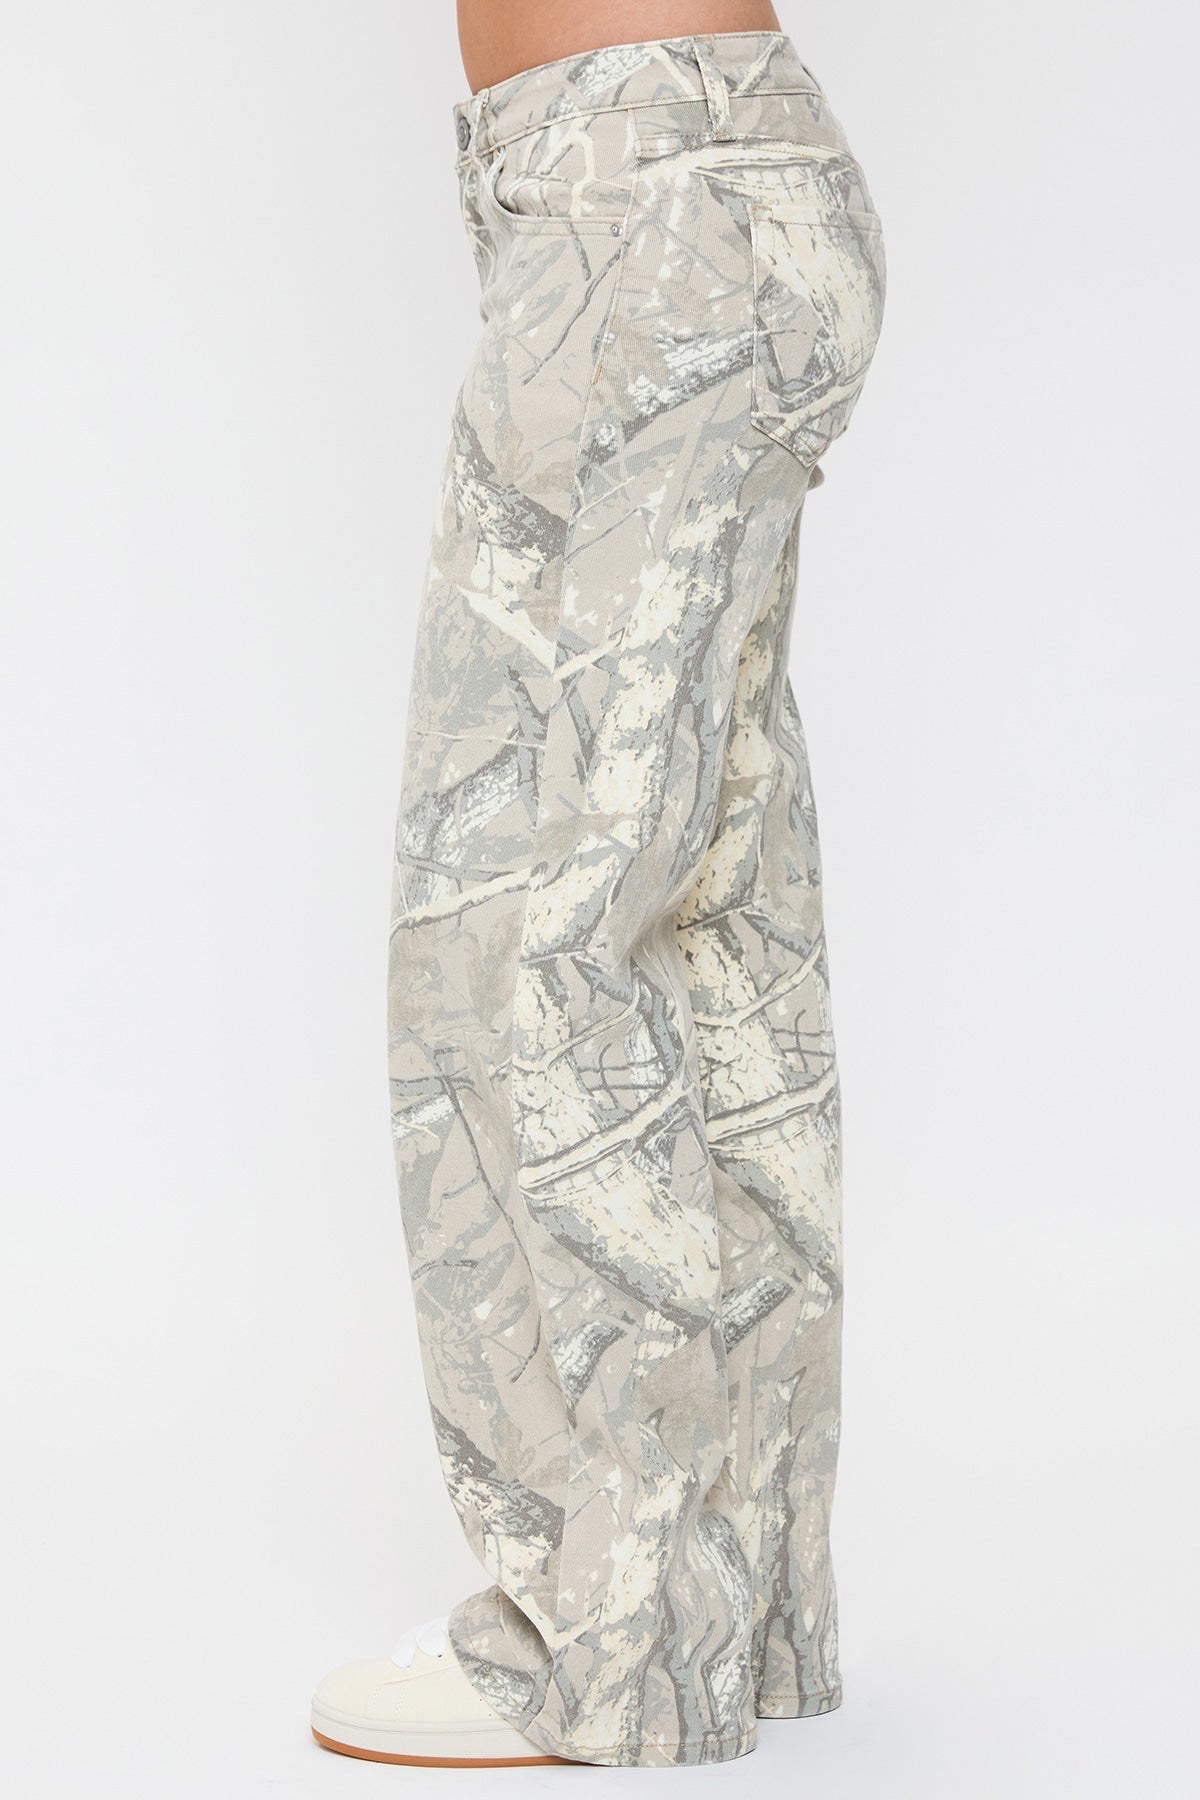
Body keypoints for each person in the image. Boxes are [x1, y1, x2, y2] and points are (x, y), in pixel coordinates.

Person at [311, 0, 886, 1769]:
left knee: (515, 936)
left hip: (631, 196)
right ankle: (733, 1617)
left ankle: (604, 1644)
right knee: (707, 921)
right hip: (734, 174)